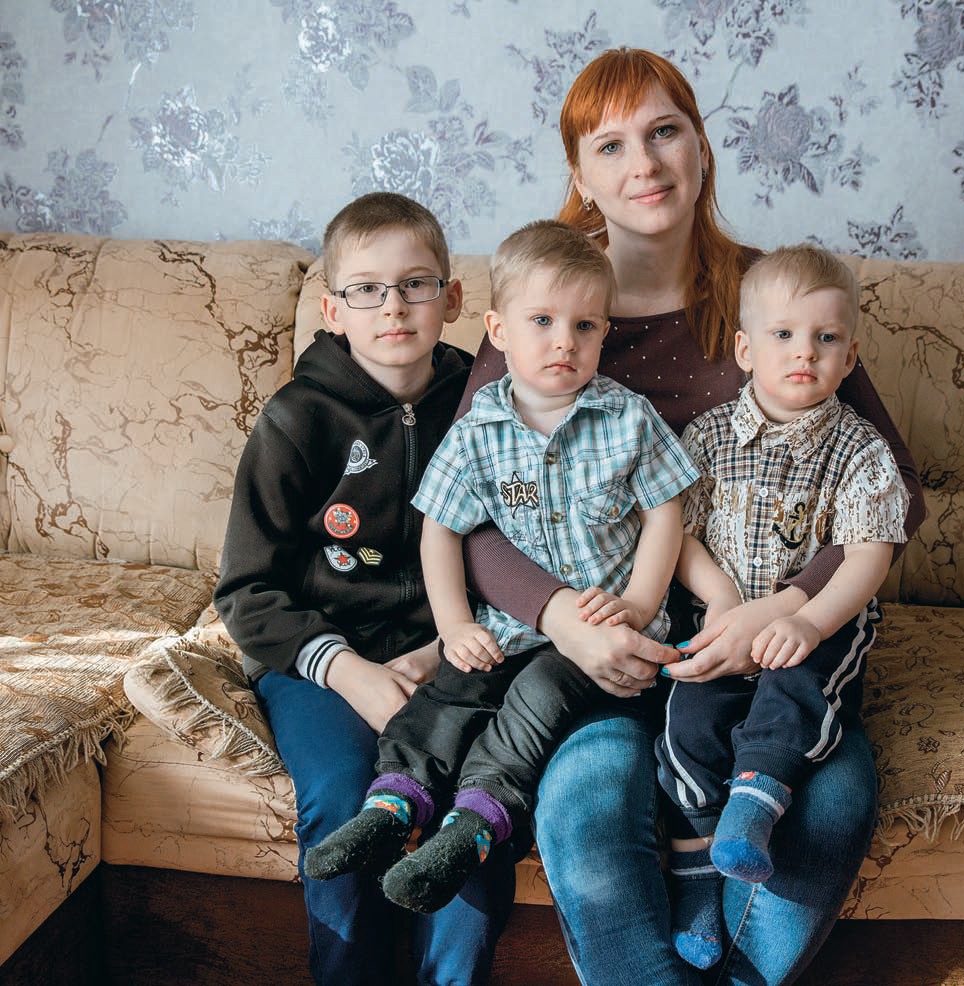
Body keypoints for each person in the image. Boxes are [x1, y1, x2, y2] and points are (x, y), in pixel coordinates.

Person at [458, 48, 926, 985]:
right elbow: (469, 508)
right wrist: (560, 618)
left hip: (768, 649)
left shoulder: (776, 298)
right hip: (610, 651)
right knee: (586, 811)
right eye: (611, 145)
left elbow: (893, 489)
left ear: (701, 146)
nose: (645, 164)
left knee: (834, 804)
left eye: (664, 131)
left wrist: (778, 610)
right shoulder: (546, 300)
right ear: (579, 174)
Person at [304, 219, 700, 917]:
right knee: (452, 688)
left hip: (596, 638)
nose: (563, 342)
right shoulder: (477, 430)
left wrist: (640, 605)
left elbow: (666, 515)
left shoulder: (628, 419)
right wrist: (454, 626)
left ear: (603, 334)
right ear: (499, 330)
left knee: (537, 697)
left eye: (584, 326)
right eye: (542, 321)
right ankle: (393, 803)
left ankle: (478, 818)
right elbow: (440, 531)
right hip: (508, 626)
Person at [213, 191, 514, 985]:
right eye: (367, 289)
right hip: (321, 662)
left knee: (471, 810)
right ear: (332, 309)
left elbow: (526, 545)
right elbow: (245, 589)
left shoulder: (491, 407)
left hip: (454, 655)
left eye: (416, 284)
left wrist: (435, 655)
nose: (393, 307)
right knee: (346, 795)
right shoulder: (297, 418)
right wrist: (350, 673)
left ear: (453, 298)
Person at [657, 244, 910, 969]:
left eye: (826, 338)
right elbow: (679, 535)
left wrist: (805, 618)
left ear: (849, 356)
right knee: (685, 721)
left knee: (798, 686)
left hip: (818, 620)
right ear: (745, 349)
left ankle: (755, 800)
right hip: (719, 616)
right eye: (783, 335)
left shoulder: (859, 450)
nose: (805, 352)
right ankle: (698, 879)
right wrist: (722, 597)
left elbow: (867, 556)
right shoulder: (707, 437)